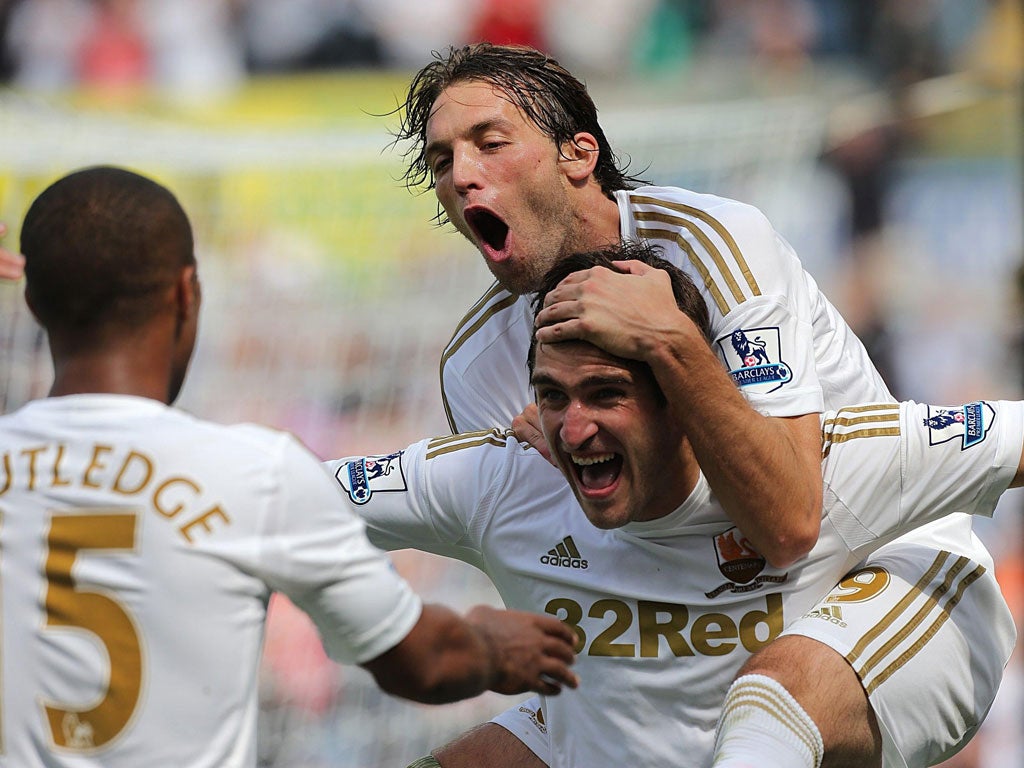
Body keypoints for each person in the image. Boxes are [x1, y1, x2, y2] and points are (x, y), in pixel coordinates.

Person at [392, 43, 1016, 767]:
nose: (461, 174)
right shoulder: (475, 364)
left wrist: (671, 343)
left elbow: (787, 524)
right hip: (690, 639)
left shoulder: (716, 245)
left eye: (489, 144)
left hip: (884, 581)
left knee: (766, 710)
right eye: (441, 162)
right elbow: (568, 556)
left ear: (578, 155)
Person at [324, 242, 1024, 768]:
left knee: (767, 704)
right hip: (642, 714)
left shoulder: (829, 462)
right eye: (552, 396)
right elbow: (281, 498)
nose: (571, 430)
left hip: (903, 647)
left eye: (605, 396)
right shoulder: (499, 477)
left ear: (682, 399)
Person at [0, 166, 579, 768]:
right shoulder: (255, 473)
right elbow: (425, 665)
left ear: (33, 304)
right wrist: (492, 645)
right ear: (185, 294)